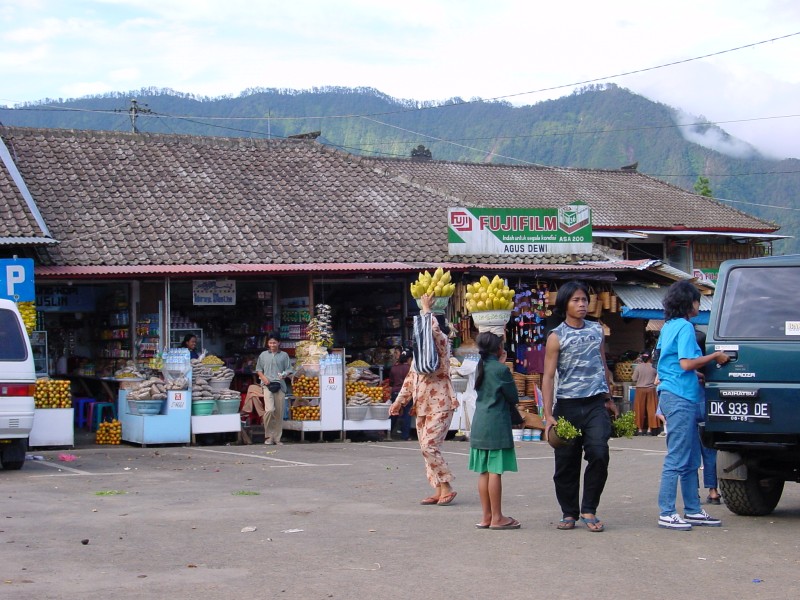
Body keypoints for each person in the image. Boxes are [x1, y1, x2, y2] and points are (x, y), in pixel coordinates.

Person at [542, 280, 617, 532]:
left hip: (595, 403)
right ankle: (569, 512)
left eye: (584, 299)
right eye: (576, 300)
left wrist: (609, 398)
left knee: (599, 452)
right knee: (566, 461)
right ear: (565, 304)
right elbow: (548, 376)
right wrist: (548, 414)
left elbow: (602, 364)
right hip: (568, 405)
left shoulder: (597, 330)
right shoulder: (556, 337)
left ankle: (589, 509)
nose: (582, 304)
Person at [655, 280, 729, 530]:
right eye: (697, 300)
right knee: (677, 456)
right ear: (689, 303)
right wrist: (716, 356)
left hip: (672, 393)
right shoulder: (686, 327)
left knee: (688, 457)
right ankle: (666, 511)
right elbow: (687, 363)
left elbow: (670, 363)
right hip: (680, 396)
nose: (699, 304)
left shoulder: (668, 327)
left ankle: (693, 509)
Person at [390, 293, 459, 506]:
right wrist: (398, 402)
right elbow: (410, 381)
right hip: (421, 406)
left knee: (429, 446)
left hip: (441, 403)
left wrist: (426, 311)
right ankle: (438, 489)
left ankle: (446, 485)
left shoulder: (441, 346)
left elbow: (435, 333)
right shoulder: (420, 358)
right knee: (425, 449)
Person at [469, 332, 521, 530]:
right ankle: (498, 517)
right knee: (495, 472)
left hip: (480, 422)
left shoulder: (479, 367)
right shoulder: (500, 369)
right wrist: (502, 362)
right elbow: (513, 397)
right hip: (496, 423)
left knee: (483, 472)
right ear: (499, 349)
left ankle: (487, 517)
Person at [255, 333, 294, 445]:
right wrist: (264, 378)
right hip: (267, 385)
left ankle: (277, 438)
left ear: (278, 343)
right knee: (270, 410)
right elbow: (258, 370)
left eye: (274, 342)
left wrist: (284, 374)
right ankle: (268, 436)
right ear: (268, 343)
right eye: (270, 342)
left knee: (279, 413)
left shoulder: (284, 355)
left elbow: (289, 369)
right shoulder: (263, 355)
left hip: (280, 385)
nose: (272, 344)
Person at [389, 348, 413, 440]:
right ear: (409, 359)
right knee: (407, 414)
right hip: (407, 393)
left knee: (394, 412)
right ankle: (405, 435)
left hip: (395, 392)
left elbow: (391, 382)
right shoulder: (410, 369)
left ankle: (388, 432)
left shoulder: (394, 368)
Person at [632, 352, 658, 435]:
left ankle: (639, 429)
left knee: (639, 408)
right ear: (650, 358)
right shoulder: (654, 367)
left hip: (640, 389)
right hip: (651, 389)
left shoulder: (638, 367)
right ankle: (650, 429)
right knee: (652, 409)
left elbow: (634, 378)